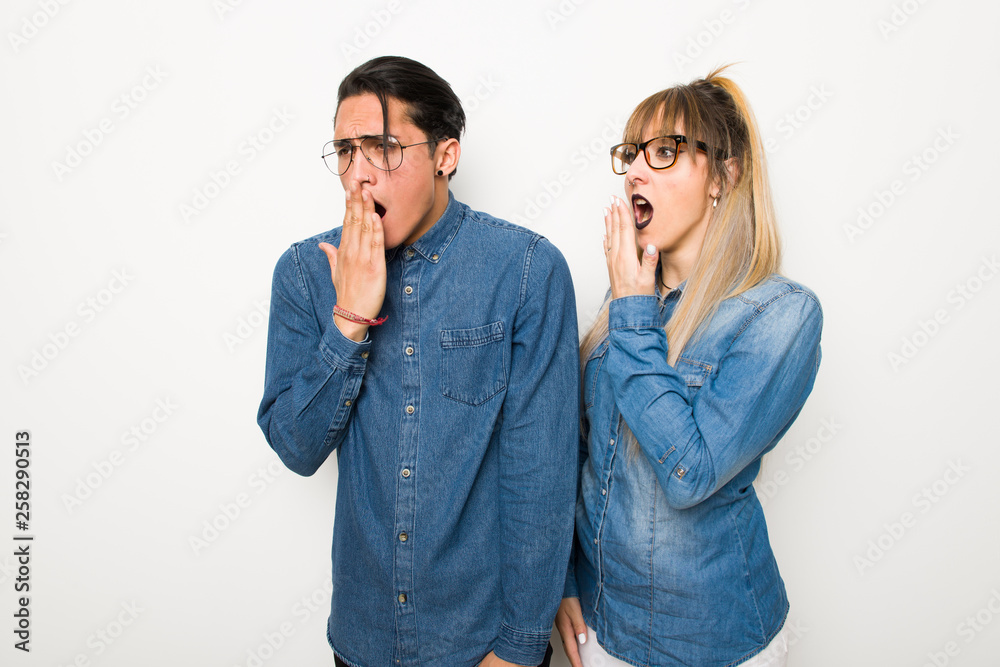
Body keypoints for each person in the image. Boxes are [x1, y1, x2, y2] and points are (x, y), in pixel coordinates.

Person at [257, 56, 579, 667]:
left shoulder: (527, 272)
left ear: (445, 155)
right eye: (345, 151)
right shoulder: (303, 273)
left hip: (482, 645)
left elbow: (543, 475)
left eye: (381, 148)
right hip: (362, 642)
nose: (358, 175)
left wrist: (516, 649)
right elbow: (295, 449)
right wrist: (349, 319)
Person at [555, 67, 823, 667]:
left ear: (723, 177)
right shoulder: (624, 303)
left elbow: (689, 474)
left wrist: (631, 308)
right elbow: (583, 452)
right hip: (603, 629)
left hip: (714, 642)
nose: (635, 171)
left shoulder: (781, 314)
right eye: (630, 154)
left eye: (665, 151)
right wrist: (566, 581)